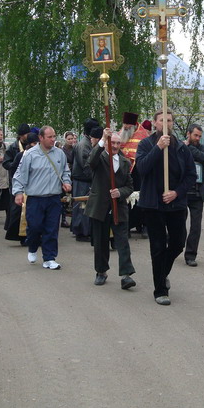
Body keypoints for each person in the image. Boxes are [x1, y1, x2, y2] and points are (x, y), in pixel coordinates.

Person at [135, 108, 197, 306]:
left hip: (175, 204)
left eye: (169, 120)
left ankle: (163, 272)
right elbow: (142, 169)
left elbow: (190, 176)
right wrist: (158, 148)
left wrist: (176, 192)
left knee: (178, 242)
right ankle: (160, 289)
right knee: (158, 246)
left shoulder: (181, 147)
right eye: (162, 120)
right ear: (155, 123)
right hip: (153, 204)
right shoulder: (146, 144)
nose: (166, 124)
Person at [12, 126, 71, 269]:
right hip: (35, 198)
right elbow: (20, 174)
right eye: (49, 137)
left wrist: (67, 182)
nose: (53, 140)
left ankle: (49, 258)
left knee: (51, 228)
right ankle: (32, 247)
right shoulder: (30, 155)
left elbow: (65, 171)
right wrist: (18, 192)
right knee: (35, 227)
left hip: (54, 198)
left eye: (54, 136)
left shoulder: (60, 154)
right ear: (41, 138)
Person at [85, 128, 136, 289]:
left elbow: (129, 186)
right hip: (100, 207)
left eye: (117, 143)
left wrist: (120, 192)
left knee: (122, 242)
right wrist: (102, 140)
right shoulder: (99, 158)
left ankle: (126, 275)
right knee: (101, 242)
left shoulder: (125, 162)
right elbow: (90, 162)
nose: (115, 146)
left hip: (118, 208)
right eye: (112, 142)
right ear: (107, 143)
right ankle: (101, 271)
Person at [183, 124, 204, 266]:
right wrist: (184, 147)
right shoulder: (179, 147)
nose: (198, 138)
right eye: (195, 135)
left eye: (200, 136)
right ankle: (176, 245)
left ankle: (190, 255)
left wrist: (189, 147)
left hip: (198, 194)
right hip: (182, 192)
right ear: (188, 134)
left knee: (196, 226)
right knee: (179, 224)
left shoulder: (202, 148)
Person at [118, 111, 150, 237]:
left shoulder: (143, 135)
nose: (125, 127)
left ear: (133, 125)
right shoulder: (121, 133)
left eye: (127, 125)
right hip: (125, 172)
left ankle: (143, 226)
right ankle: (127, 226)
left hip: (139, 172)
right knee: (126, 201)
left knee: (140, 199)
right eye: (124, 124)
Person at [5, 132, 39, 244]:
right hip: (23, 187)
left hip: (36, 187)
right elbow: (14, 170)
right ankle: (21, 237)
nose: (36, 145)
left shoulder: (40, 154)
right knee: (20, 213)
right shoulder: (21, 155)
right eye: (34, 143)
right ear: (29, 144)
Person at [71, 118, 100, 242]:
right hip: (82, 179)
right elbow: (86, 165)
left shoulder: (87, 142)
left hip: (85, 178)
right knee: (81, 205)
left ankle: (85, 230)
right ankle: (81, 232)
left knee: (86, 205)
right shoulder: (84, 144)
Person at [3, 123, 30, 229]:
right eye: (25, 134)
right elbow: (6, 163)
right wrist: (14, 164)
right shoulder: (13, 148)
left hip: (28, 180)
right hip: (15, 179)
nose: (27, 136)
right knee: (16, 207)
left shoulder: (31, 146)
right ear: (20, 136)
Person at [60, 131, 76, 228]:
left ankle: (73, 218)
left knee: (73, 198)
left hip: (73, 175)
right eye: (69, 139)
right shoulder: (62, 151)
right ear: (65, 139)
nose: (71, 141)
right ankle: (63, 219)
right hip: (64, 176)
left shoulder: (75, 149)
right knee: (64, 199)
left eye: (72, 139)